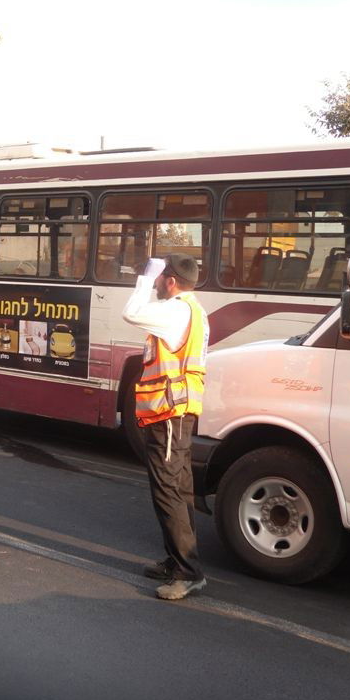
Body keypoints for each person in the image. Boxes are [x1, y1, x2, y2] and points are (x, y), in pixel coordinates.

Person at [123, 253, 210, 601]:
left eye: (161, 278)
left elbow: (131, 312)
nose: (158, 283)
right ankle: (177, 561)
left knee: (168, 489)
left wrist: (145, 277)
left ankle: (188, 572)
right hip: (176, 411)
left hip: (169, 413)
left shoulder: (175, 310)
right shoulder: (193, 309)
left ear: (170, 280)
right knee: (180, 488)